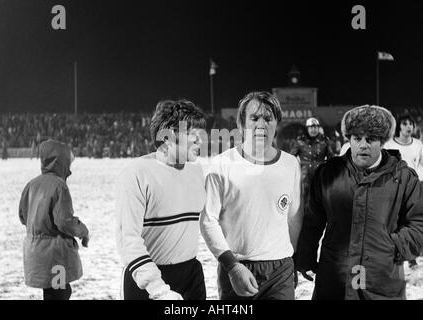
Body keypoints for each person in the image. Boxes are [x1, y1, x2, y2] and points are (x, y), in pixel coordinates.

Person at [295, 105, 423, 300]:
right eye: (357, 138)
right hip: (335, 279)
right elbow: (313, 220)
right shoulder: (329, 174)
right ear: (349, 140)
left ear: (382, 142)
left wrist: (393, 246)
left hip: (381, 280)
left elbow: (419, 223)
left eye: (370, 139)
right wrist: (306, 257)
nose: (363, 145)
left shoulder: (404, 177)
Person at [200, 91, 303, 300]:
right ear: (241, 124)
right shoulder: (222, 164)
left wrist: (293, 260)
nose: (261, 125)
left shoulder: (291, 164)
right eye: (254, 118)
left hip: (280, 270)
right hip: (238, 267)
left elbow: (294, 218)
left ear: (277, 124)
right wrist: (232, 267)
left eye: (268, 118)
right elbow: (208, 221)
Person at [115, 99, 208, 300]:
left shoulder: (196, 171)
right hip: (148, 283)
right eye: (193, 134)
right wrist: (158, 289)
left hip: (192, 276)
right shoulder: (136, 173)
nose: (201, 141)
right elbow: (128, 239)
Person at [19, 139, 89, 300]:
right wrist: (83, 231)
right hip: (55, 254)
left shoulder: (32, 184)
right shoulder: (59, 185)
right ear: (61, 161)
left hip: (35, 251)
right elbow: (64, 221)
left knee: (52, 292)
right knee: (59, 292)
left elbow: (23, 216)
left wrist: (38, 224)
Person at [384, 114, 423, 269]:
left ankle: (412, 255)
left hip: (415, 187)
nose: (408, 127)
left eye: (411, 124)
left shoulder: (418, 144)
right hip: (396, 188)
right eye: (405, 124)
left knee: (413, 221)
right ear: (399, 126)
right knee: (396, 221)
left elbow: (420, 164)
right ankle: (396, 252)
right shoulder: (389, 145)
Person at [290, 117, 334, 205]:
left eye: (315, 127)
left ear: (318, 128)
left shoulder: (325, 140)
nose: (313, 129)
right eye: (311, 127)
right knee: (304, 199)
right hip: (304, 176)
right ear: (307, 128)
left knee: (321, 199)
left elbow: (330, 158)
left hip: (320, 174)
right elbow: (291, 157)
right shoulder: (300, 141)